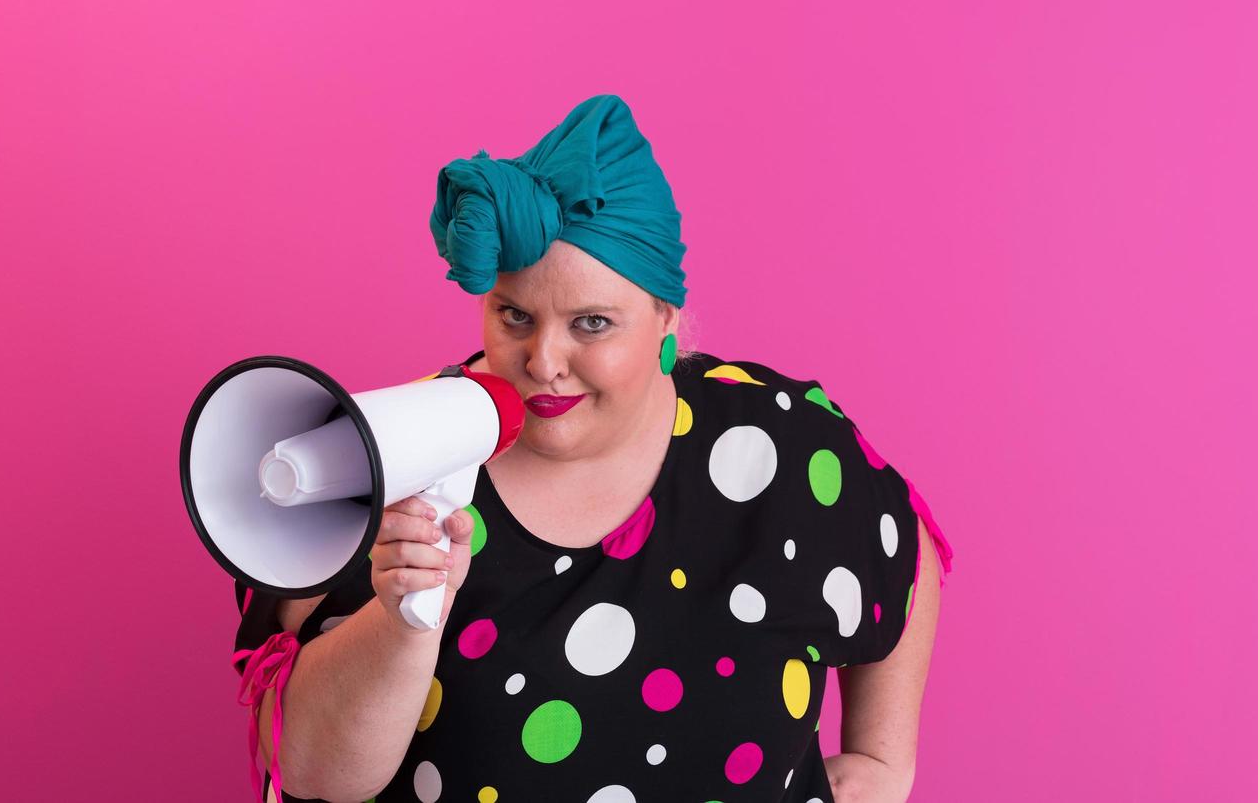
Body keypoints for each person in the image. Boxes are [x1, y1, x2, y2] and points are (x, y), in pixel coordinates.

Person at [230, 94, 955, 803]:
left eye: (592, 324)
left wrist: (881, 760)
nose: (545, 361)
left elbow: (900, 540)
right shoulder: (393, 460)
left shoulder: (776, 443)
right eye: (515, 315)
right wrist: (400, 621)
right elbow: (316, 775)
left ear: (664, 315)